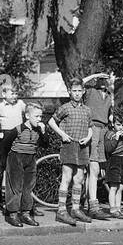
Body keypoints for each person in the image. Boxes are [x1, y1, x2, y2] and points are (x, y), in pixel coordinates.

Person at [49, 79, 94, 226]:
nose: (77, 94)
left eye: (79, 91)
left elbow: (90, 127)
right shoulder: (65, 108)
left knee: (79, 178)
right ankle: (61, 210)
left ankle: (75, 209)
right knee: (67, 177)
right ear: (69, 91)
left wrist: (88, 137)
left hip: (82, 147)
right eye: (74, 91)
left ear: (83, 91)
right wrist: (62, 134)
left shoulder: (87, 110)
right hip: (69, 145)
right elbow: (51, 122)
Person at [81, 72, 115, 221]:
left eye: (105, 80)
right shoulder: (89, 92)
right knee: (93, 169)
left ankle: (89, 204)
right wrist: (94, 75)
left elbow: (109, 116)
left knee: (94, 171)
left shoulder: (108, 97)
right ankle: (93, 205)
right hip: (92, 128)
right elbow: (77, 84)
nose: (103, 82)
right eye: (100, 79)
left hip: (103, 130)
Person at [3, 103, 44, 226]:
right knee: (15, 187)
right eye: (36, 116)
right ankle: (13, 214)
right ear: (27, 115)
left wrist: (43, 132)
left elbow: (45, 144)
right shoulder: (18, 129)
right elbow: (5, 143)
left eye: (40, 116)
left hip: (30, 158)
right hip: (16, 158)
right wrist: (4, 162)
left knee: (28, 186)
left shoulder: (38, 130)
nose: (39, 119)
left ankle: (25, 213)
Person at [0, 79, 26, 208]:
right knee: (7, 168)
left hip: (20, 137)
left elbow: (30, 113)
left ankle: (23, 200)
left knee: (21, 168)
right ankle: (6, 200)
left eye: (16, 93)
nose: (14, 96)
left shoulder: (20, 104)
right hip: (6, 137)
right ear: (4, 94)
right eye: (12, 93)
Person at [103, 112, 123, 219]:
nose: (121, 127)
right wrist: (116, 138)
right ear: (113, 124)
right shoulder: (109, 134)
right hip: (114, 160)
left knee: (121, 187)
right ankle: (112, 209)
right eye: (118, 125)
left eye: (122, 125)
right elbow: (108, 149)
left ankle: (118, 208)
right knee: (114, 186)